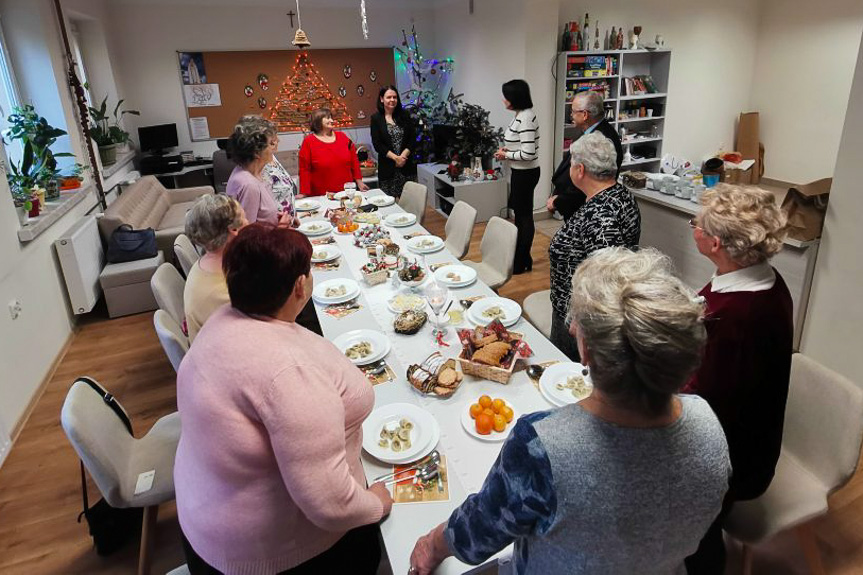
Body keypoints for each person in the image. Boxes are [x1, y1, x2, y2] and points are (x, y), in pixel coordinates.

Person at [408, 247, 731, 575]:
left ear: (587, 350)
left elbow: (476, 537)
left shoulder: (540, 446)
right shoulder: (709, 424)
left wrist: (432, 543)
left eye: (577, 322)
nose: (572, 327)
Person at [174, 223, 393, 574]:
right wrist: (375, 504)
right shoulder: (288, 374)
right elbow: (329, 504)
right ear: (300, 286)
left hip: (204, 523)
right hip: (274, 554)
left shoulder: (220, 321)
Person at [683, 184, 793, 574]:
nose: (692, 225)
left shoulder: (740, 320)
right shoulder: (760, 277)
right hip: (738, 429)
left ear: (713, 243)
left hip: (733, 463)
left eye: (696, 222)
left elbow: (702, 405)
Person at [548, 132, 640, 360]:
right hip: (575, 310)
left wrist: (583, 319)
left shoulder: (601, 216)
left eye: (571, 164)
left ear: (580, 170)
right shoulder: (619, 195)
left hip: (578, 318)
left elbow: (608, 276)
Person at [547, 91, 622, 220]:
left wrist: (559, 201)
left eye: (573, 111)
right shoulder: (590, 132)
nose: (571, 115)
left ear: (585, 114)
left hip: (583, 209)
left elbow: (589, 182)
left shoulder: (601, 139)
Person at [183, 194, 247, 344]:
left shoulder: (207, 262)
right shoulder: (223, 295)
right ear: (234, 230)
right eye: (245, 217)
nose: (248, 222)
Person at [495, 79, 540, 274]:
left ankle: (521, 261)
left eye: (506, 96)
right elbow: (520, 144)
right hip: (520, 171)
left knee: (524, 217)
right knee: (520, 216)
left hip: (526, 173)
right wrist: (508, 149)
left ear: (514, 98)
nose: (503, 100)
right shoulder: (520, 115)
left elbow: (529, 153)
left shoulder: (526, 117)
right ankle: (522, 258)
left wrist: (506, 155)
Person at [226, 115, 295, 226]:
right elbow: (247, 236)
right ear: (256, 152)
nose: (274, 148)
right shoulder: (249, 184)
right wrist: (281, 228)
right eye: (271, 144)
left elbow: (261, 216)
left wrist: (279, 218)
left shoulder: (255, 174)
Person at [298, 108, 368, 196]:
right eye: (328, 118)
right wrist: (304, 193)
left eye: (331, 118)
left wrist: (359, 182)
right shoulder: (308, 141)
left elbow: (354, 161)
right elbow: (304, 169)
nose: (332, 120)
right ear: (318, 120)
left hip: (346, 193)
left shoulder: (343, 137)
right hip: (321, 195)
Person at [370, 86, 416, 199]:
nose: (392, 100)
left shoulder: (405, 115)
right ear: (382, 99)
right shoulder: (376, 118)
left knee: (408, 202)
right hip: (387, 168)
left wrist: (403, 157)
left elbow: (412, 139)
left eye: (394, 97)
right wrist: (396, 158)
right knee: (388, 202)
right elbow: (377, 144)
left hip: (406, 166)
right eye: (388, 97)